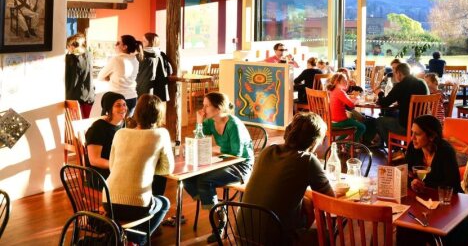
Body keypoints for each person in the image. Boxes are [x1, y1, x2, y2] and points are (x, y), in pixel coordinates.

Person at [241, 112, 334, 241]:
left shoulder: (267, 151)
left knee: (306, 203)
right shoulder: (307, 160)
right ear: (314, 141)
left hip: (241, 237)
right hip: (272, 241)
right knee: (327, 237)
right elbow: (330, 199)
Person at [183, 92, 254, 241]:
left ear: (218, 107)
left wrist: (214, 162)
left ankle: (219, 222)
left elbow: (236, 155)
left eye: (206, 106)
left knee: (204, 181)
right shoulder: (211, 122)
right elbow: (199, 136)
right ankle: (216, 207)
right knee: (187, 179)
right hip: (225, 160)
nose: (203, 109)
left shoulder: (233, 125)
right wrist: (199, 122)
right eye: (203, 105)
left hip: (241, 165)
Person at [106, 94, 173, 246]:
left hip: (108, 201)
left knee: (146, 205)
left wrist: (135, 166)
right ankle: (137, 241)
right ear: (159, 114)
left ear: (136, 112)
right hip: (137, 204)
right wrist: (147, 168)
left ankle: (127, 239)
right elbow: (167, 168)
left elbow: (112, 166)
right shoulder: (161, 134)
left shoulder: (120, 133)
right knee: (164, 203)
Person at [400, 114, 468, 243]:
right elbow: (405, 174)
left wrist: (425, 185)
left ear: (432, 136)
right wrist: (412, 182)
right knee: (405, 226)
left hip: (448, 205)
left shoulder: (445, 151)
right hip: (423, 204)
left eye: (417, 134)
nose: (412, 138)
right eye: (412, 133)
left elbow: (452, 184)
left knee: (415, 227)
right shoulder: (413, 148)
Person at [373, 62, 429, 148]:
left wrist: (380, 93)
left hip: (407, 127)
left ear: (399, 73)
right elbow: (409, 101)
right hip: (424, 125)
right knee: (391, 114)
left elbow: (384, 103)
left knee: (380, 120)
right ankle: (398, 146)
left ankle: (395, 149)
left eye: (395, 73)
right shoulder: (422, 83)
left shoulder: (400, 86)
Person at [85, 92, 126, 181]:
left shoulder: (124, 124)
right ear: (109, 108)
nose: (123, 108)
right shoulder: (98, 128)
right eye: (118, 105)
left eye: (124, 104)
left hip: (117, 169)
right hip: (100, 175)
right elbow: (94, 160)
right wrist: (118, 165)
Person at [98, 34, 141, 115]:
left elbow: (100, 76)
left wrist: (110, 77)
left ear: (125, 47)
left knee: (107, 122)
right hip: (132, 97)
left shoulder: (116, 59)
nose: (115, 45)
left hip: (116, 98)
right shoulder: (135, 60)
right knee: (126, 122)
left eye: (118, 43)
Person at [327, 72, 365, 142]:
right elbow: (351, 105)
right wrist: (357, 98)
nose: (346, 82)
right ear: (337, 82)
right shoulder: (340, 92)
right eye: (344, 80)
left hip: (331, 121)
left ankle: (338, 143)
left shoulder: (332, 91)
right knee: (362, 127)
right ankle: (349, 145)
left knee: (352, 120)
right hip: (340, 121)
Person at [136, 32, 173, 101]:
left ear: (150, 42)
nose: (142, 43)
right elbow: (169, 70)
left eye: (144, 41)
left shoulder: (142, 55)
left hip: (143, 89)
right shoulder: (161, 54)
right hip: (159, 89)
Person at [65, 33, 94, 118]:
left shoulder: (69, 59)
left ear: (71, 46)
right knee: (85, 121)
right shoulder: (88, 55)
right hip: (89, 96)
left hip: (74, 97)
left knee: (74, 123)